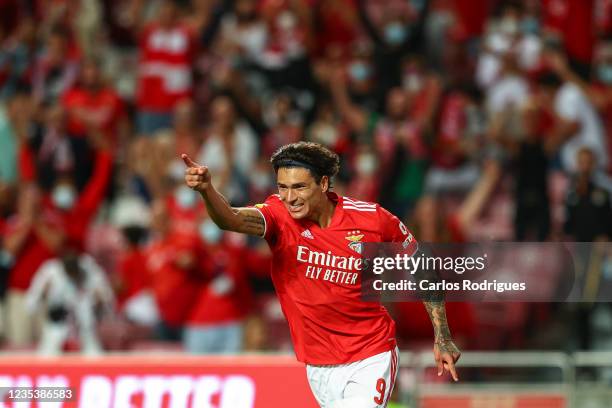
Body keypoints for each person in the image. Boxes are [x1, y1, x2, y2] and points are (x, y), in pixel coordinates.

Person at [182, 141, 461, 408]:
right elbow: (231, 218)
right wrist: (207, 190)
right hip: (318, 367)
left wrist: (442, 334)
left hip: (370, 355)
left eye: (300, 187)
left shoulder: (372, 219)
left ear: (324, 184)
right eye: (283, 188)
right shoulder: (278, 215)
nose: (290, 198)